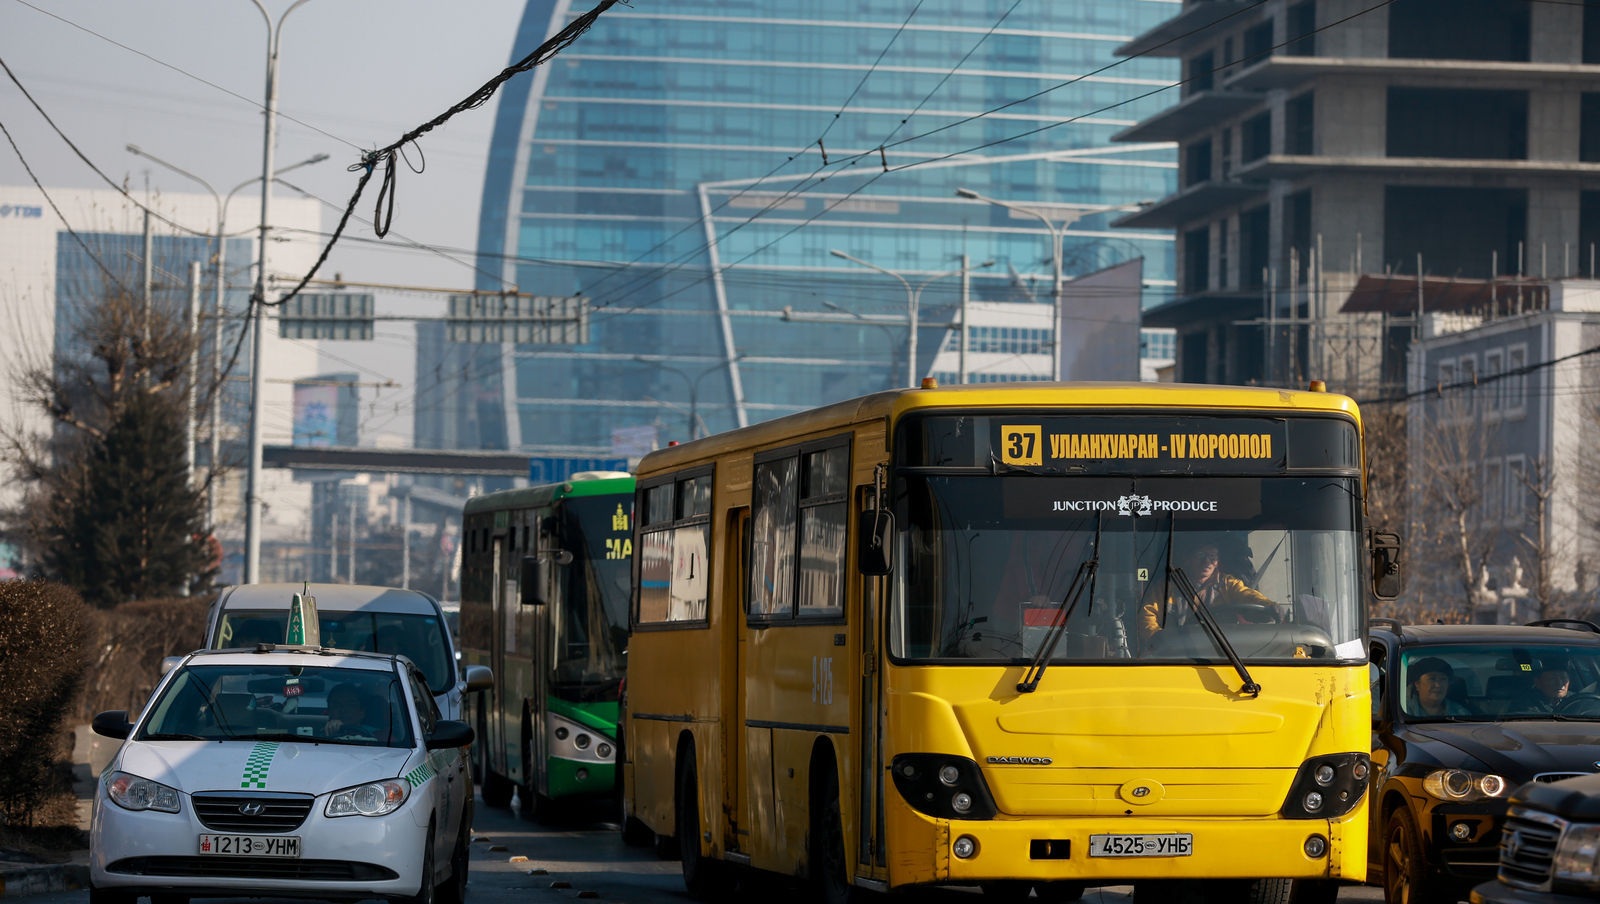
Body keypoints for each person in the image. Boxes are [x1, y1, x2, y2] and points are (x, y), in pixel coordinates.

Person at [1139, 538, 1277, 641]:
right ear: (1188, 559)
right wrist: (1158, 639)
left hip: (1223, 650)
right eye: (1200, 556)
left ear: (1218, 563)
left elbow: (1247, 595)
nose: (1207, 562)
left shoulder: (1227, 584)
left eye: (1212, 557)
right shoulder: (1167, 587)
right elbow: (1147, 614)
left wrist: (1270, 605)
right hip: (1177, 652)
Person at [1406, 656, 1472, 717]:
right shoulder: (1402, 710)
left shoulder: (1461, 714)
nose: (1438, 685)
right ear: (1417, 684)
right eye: (1432, 679)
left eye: (1443, 679)